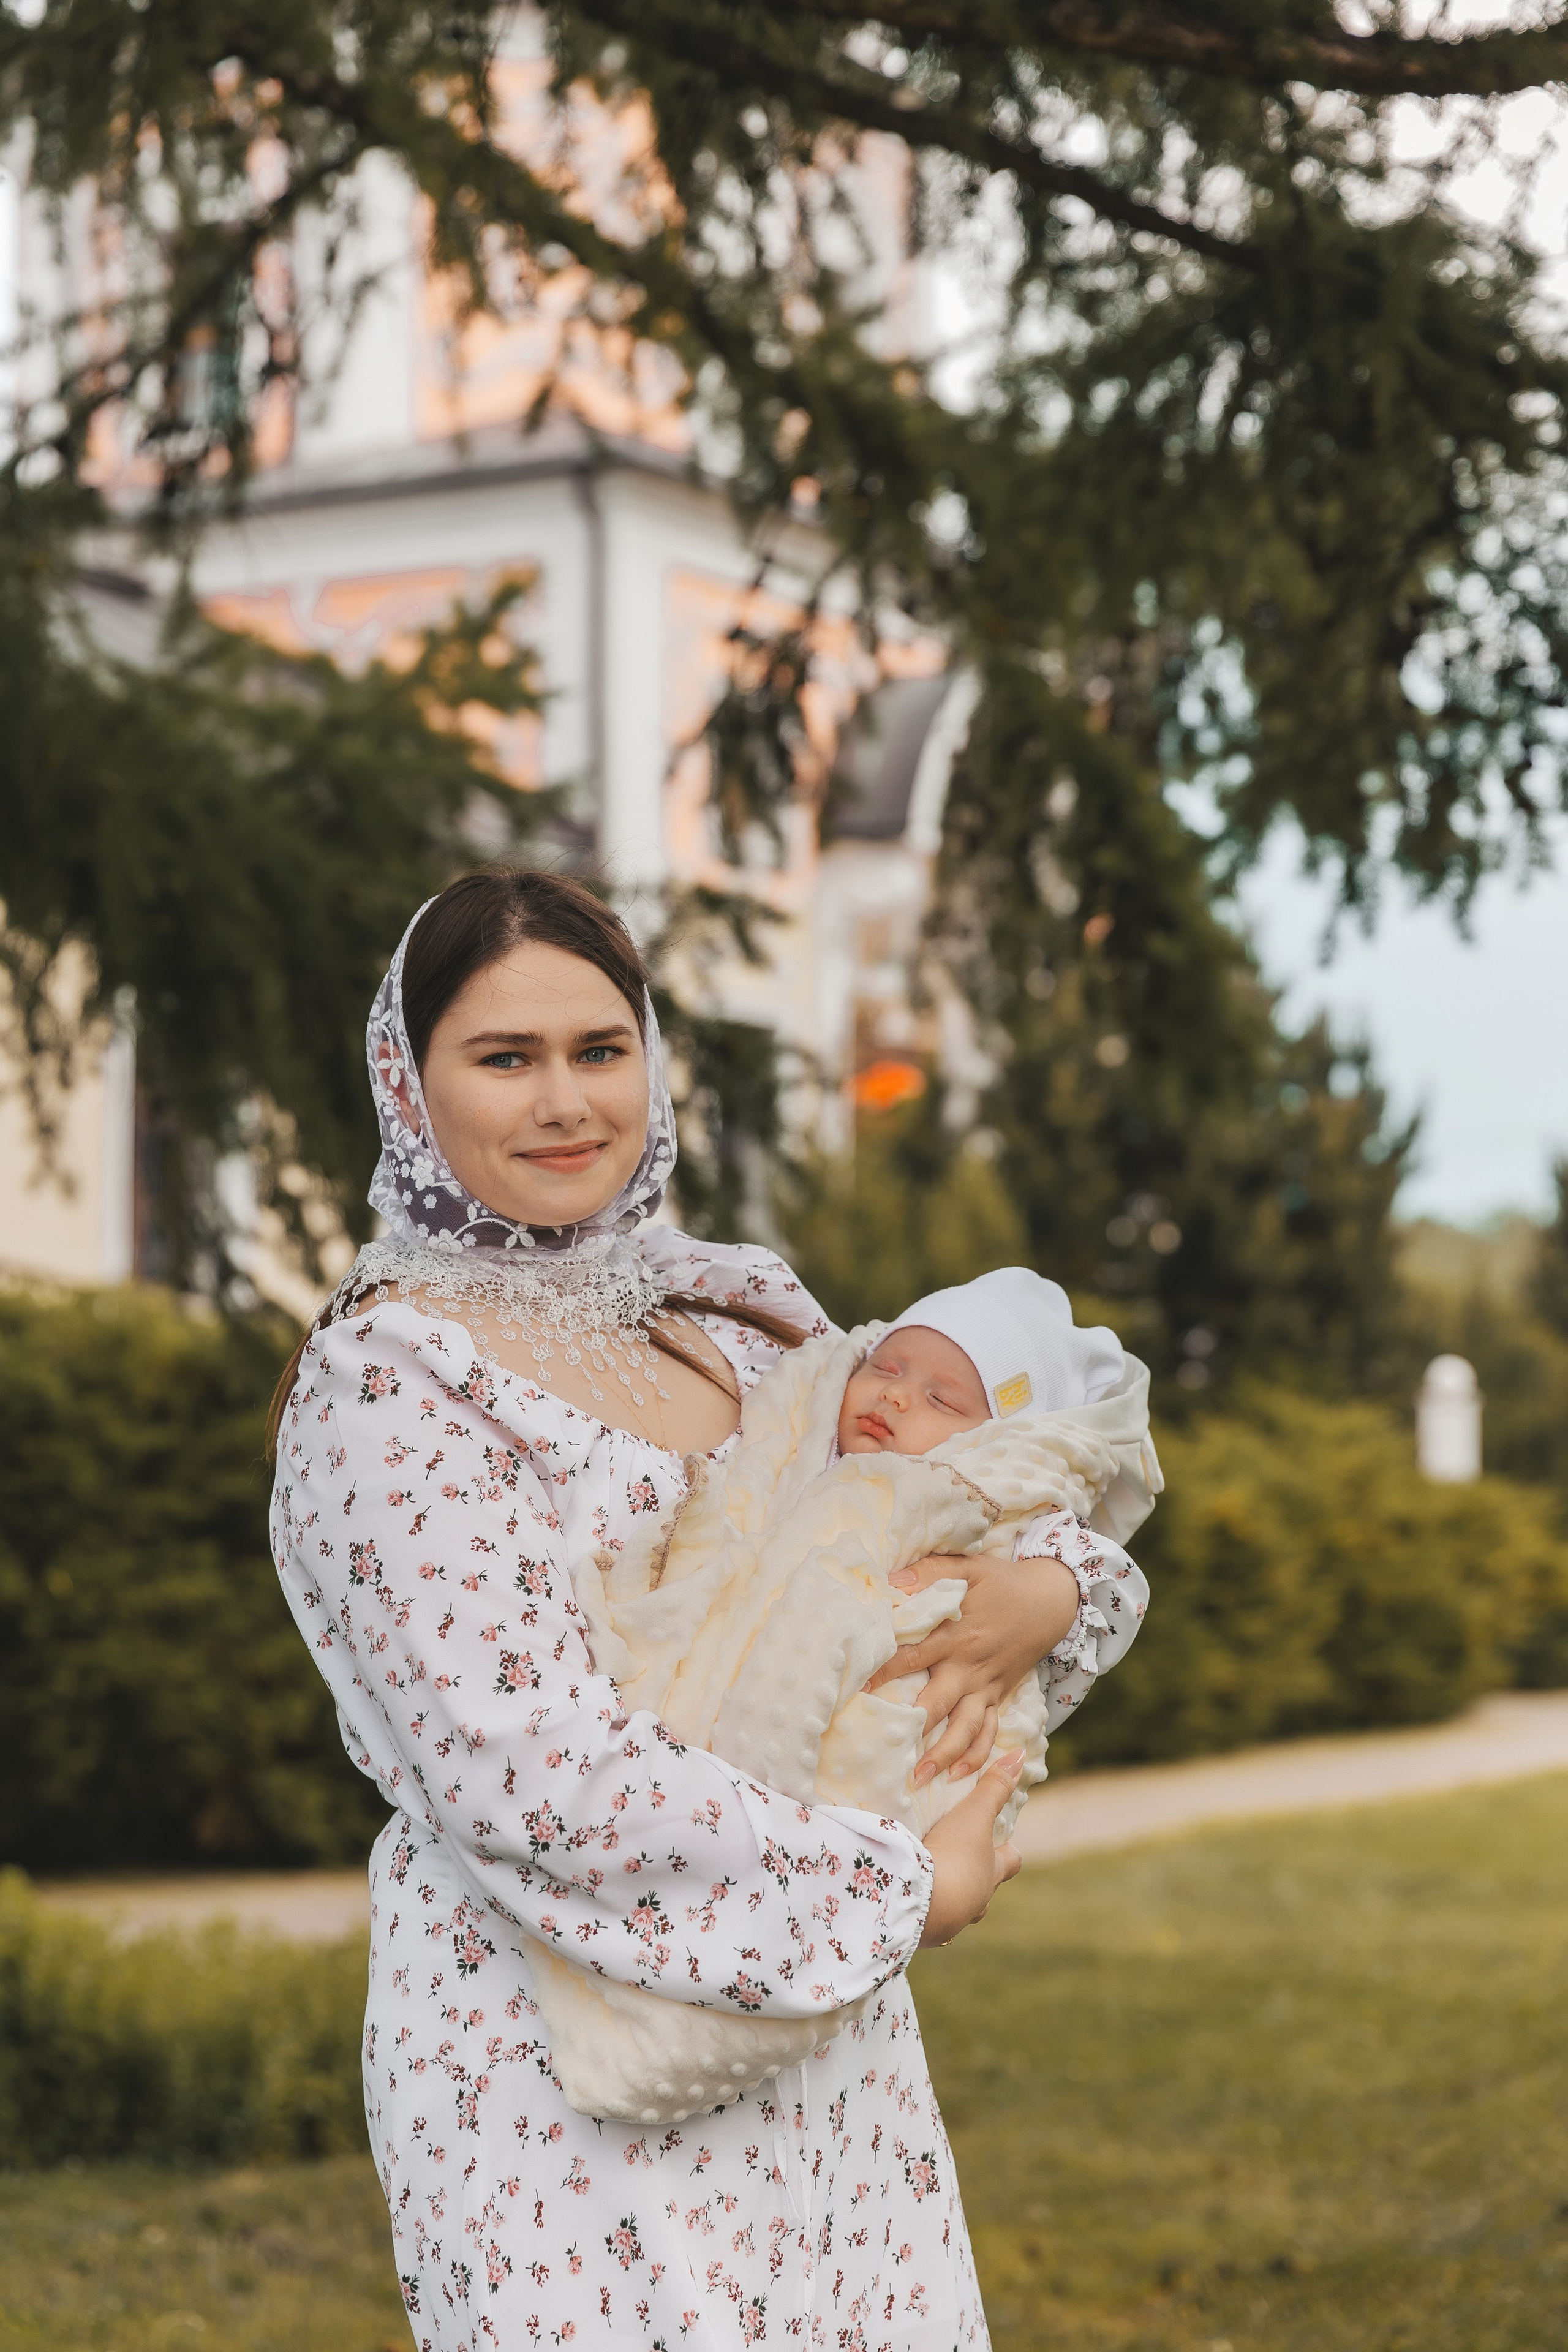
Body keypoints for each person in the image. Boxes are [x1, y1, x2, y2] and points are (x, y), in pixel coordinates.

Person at [268, 868, 1143, 2352]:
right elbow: (530, 1782)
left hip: (827, 2046)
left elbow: (974, 1491)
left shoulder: (739, 1312)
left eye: (599, 1051)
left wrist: (1055, 1585)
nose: (563, 1104)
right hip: (556, 2053)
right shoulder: (390, 1388)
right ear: (410, 1088)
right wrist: (898, 1894)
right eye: (504, 1057)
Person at [528, 1268, 1159, 2127]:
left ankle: (718, 1999)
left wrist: (1052, 1592)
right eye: (889, 1367)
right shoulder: (800, 1451)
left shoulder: (999, 1500)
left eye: (943, 1397)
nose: (896, 1400)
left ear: (1001, 1435)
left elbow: (1110, 1584)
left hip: (894, 1752)